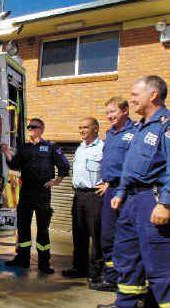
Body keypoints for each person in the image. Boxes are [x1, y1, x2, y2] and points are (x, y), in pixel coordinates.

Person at [98, 76, 169, 308]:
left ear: (153, 95)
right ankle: (126, 304)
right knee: (128, 258)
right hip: (130, 200)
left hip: (153, 200)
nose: (132, 100)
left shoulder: (166, 126)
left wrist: (166, 203)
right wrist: (120, 192)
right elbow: (130, 166)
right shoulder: (139, 128)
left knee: (159, 266)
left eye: (135, 95)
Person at [4, 118, 70, 274]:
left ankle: (44, 263)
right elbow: (14, 165)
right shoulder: (24, 148)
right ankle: (22, 259)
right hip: (26, 192)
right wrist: (7, 152)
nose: (31, 129)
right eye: (29, 127)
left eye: (34, 127)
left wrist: (56, 181)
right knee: (23, 228)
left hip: (42, 194)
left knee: (42, 229)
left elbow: (64, 165)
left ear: (42, 129)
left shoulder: (51, 147)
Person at [90, 97, 137, 292]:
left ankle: (130, 280)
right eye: (107, 113)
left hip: (128, 191)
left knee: (127, 239)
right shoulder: (110, 134)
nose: (109, 116)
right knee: (107, 238)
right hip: (110, 190)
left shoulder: (136, 132)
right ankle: (111, 278)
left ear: (125, 110)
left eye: (113, 112)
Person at [63, 117, 104, 283]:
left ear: (95, 128)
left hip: (95, 196)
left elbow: (114, 167)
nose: (81, 130)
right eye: (80, 127)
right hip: (78, 195)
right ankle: (79, 268)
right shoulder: (80, 148)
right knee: (78, 233)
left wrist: (108, 184)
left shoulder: (103, 147)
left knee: (96, 234)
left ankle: (96, 272)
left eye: (85, 127)